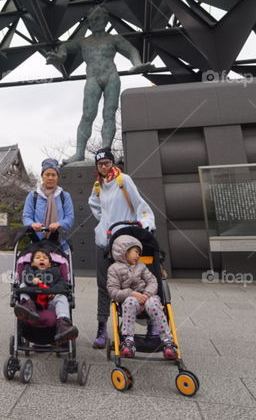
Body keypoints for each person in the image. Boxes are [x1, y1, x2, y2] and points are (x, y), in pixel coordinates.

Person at [45, 6, 152, 165]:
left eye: (99, 18)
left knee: (109, 114)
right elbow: (65, 46)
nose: (96, 22)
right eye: (93, 20)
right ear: (88, 24)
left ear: (106, 20)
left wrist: (137, 64)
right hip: (93, 78)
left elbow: (131, 50)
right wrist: (60, 57)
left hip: (111, 77)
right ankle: (79, 153)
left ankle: (105, 150)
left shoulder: (114, 39)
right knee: (87, 114)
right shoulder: (84, 41)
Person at [88, 147, 155, 349]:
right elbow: (94, 204)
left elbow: (140, 205)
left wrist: (145, 224)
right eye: (100, 164)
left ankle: (151, 324)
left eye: (107, 163)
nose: (104, 167)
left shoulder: (123, 180)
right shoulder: (98, 186)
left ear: (113, 163)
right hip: (104, 242)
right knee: (104, 286)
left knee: (135, 283)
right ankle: (102, 328)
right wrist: (104, 222)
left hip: (125, 242)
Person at [107, 234, 177, 359]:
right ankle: (128, 341)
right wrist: (131, 293)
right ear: (125, 251)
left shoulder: (141, 266)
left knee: (154, 303)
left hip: (147, 297)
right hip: (130, 300)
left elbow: (152, 281)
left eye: (139, 253)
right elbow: (113, 291)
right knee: (129, 301)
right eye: (136, 252)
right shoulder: (114, 269)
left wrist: (146, 295)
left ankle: (167, 342)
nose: (138, 255)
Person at [14, 245, 78, 342]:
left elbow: (62, 284)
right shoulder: (29, 270)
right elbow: (26, 278)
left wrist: (54, 291)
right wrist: (31, 280)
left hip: (50, 302)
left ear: (49, 264)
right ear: (32, 262)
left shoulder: (55, 272)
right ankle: (27, 307)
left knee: (62, 297)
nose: (41, 259)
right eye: (38, 257)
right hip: (34, 302)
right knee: (22, 286)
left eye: (45, 258)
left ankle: (63, 323)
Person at [22, 158, 75, 249]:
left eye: (53, 175)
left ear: (57, 177)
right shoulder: (33, 196)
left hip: (60, 243)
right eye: (47, 174)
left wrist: (59, 224)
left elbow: (70, 218)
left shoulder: (64, 196)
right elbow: (26, 217)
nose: (50, 178)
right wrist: (32, 224)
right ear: (42, 176)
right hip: (37, 242)